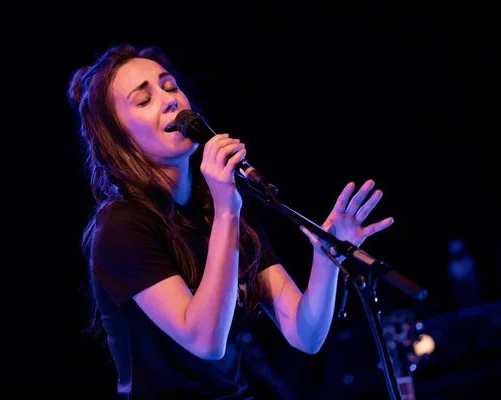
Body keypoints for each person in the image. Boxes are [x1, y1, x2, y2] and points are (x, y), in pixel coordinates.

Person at [67, 42, 395, 399]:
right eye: (144, 101)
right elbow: (205, 340)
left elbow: (305, 334)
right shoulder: (122, 225)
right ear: (118, 139)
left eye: (170, 86)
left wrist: (327, 254)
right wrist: (227, 209)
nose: (170, 101)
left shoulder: (221, 204)